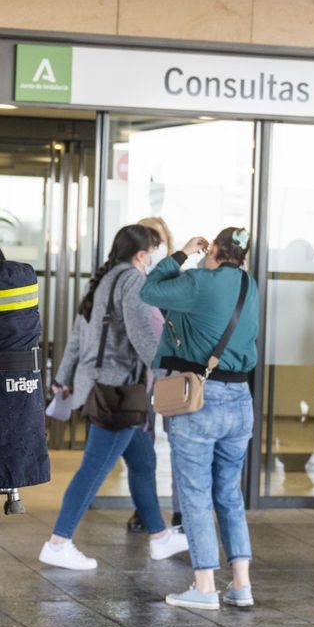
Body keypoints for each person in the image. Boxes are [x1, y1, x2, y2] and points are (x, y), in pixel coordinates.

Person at [44, 225, 187, 570]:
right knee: (93, 470)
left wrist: (63, 377)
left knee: (143, 463)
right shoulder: (133, 281)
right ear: (142, 254)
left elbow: (78, 336)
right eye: (152, 252)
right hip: (119, 390)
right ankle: (58, 542)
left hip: (100, 386)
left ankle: (159, 537)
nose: (153, 259)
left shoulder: (103, 279)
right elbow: (142, 336)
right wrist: (173, 374)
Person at [142, 227, 260, 611]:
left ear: (213, 250)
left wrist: (181, 254)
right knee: (229, 494)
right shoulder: (248, 283)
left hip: (201, 401)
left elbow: (150, 289)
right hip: (241, 400)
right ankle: (241, 585)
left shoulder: (197, 280)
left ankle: (205, 585)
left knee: (194, 494)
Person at [130, 216, 183, 532]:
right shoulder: (131, 281)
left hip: (173, 369)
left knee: (179, 440)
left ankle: (181, 512)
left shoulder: (179, 281)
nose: (152, 247)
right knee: (142, 442)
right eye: (147, 240)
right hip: (139, 372)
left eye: (157, 240)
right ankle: (144, 510)